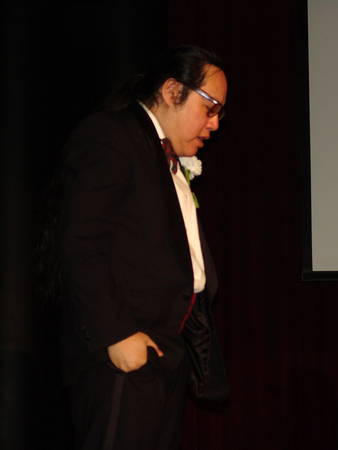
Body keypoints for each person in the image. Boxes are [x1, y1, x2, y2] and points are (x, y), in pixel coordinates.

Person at [57, 45, 228, 450]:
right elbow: (80, 241)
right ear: (172, 91)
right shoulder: (112, 136)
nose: (215, 123)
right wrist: (116, 334)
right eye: (210, 108)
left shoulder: (163, 152)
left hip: (163, 351)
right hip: (123, 351)